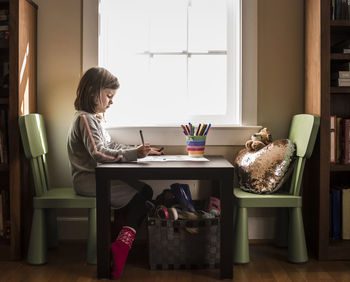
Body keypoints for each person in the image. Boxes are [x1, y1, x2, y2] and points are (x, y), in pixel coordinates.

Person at [67, 67, 163, 279]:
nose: (111, 101)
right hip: (89, 180)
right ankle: (121, 247)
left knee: (145, 190)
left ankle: (118, 239)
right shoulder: (85, 119)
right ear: (93, 92)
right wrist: (133, 154)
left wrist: (139, 151)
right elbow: (99, 153)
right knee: (141, 198)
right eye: (109, 96)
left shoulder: (96, 119)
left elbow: (111, 146)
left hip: (98, 177)